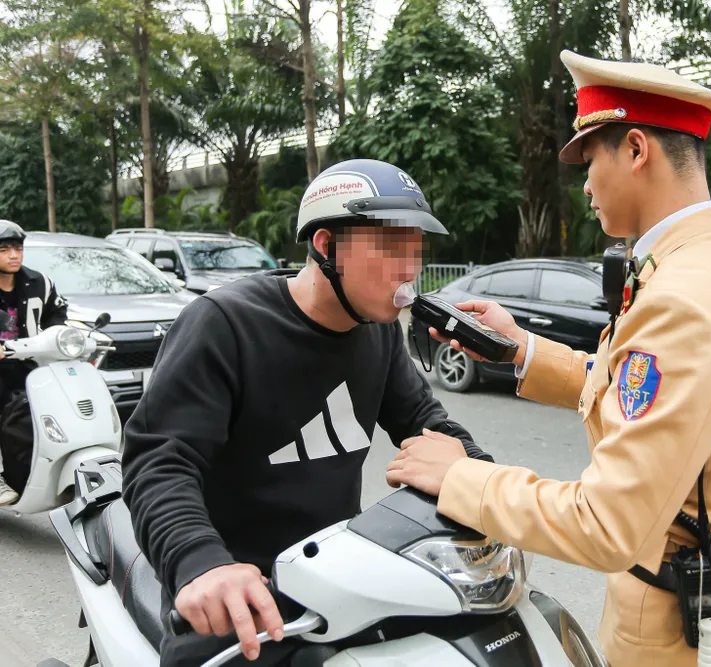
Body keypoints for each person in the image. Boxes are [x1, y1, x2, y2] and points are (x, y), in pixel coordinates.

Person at [386, 51, 711, 667]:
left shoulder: (681, 301)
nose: (585, 185)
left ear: (637, 150)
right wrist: (522, 351)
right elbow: (662, 401)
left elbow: (606, 524)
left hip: (690, 635)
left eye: (590, 160)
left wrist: (460, 477)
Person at [121, 159, 493, 667]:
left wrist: (489, 482)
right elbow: (159, 460)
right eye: (388, 247)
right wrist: (200, 563)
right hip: (238, 588)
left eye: (415, 248)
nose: (409, 269)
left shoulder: (377, 333)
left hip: (336, 575)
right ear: (325, 246)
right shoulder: (225, 325)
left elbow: (427, 423)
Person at [0, 219, 68, 506]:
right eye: (4, 249)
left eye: (17, 248)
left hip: (28, 364)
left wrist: (58, 335)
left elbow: (58, 311)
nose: (14, 255)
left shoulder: (39, 282)